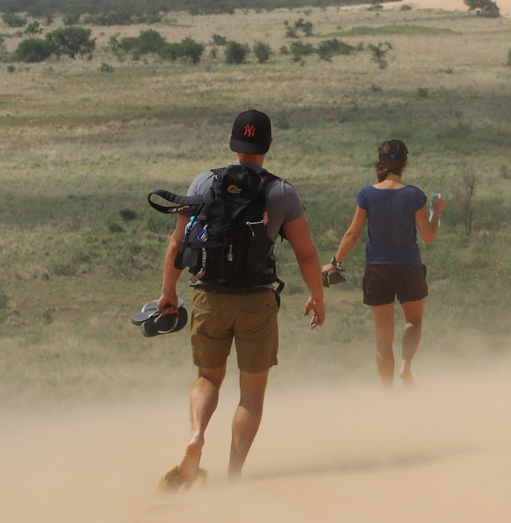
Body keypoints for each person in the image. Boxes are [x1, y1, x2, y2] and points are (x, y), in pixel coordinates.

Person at [155, 108, 327, 490]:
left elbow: (177, 243)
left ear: (232, 143)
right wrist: (316, 296)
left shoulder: (203, 183)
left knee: (207, 377)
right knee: (252, 391)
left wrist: (168, 291)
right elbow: (307, 253)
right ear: (268, 144)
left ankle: (196, 436)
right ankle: (233, 475)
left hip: (208, 298)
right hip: (256, 302)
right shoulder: (281, 191)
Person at [325, 138, 445, 386]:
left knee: (383, 338)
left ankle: (388, 395)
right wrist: (437, 211)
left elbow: (352, 233)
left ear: (380, 163)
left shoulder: (367, 194)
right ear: (405, 164)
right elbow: (429, 236)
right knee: (413, 322)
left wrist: (335, 262)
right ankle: (406, 366)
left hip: (377, 269)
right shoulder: (414, 195)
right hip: (409, 267)